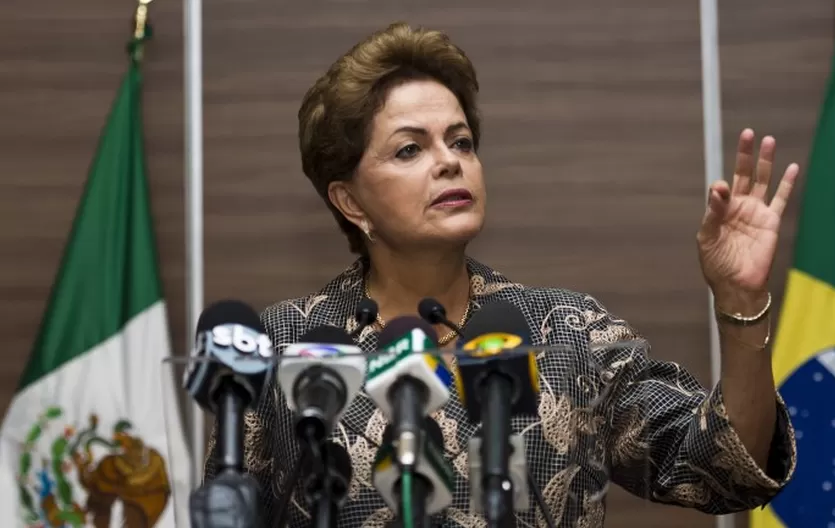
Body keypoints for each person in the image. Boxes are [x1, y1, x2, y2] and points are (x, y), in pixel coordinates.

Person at [203, 21, 797, 528]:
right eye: (410, 149)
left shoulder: (567, 333)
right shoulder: (287, 346)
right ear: (350, 202)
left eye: (460, 141)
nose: (448, 161)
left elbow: (724, 468)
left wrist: (740, 303)